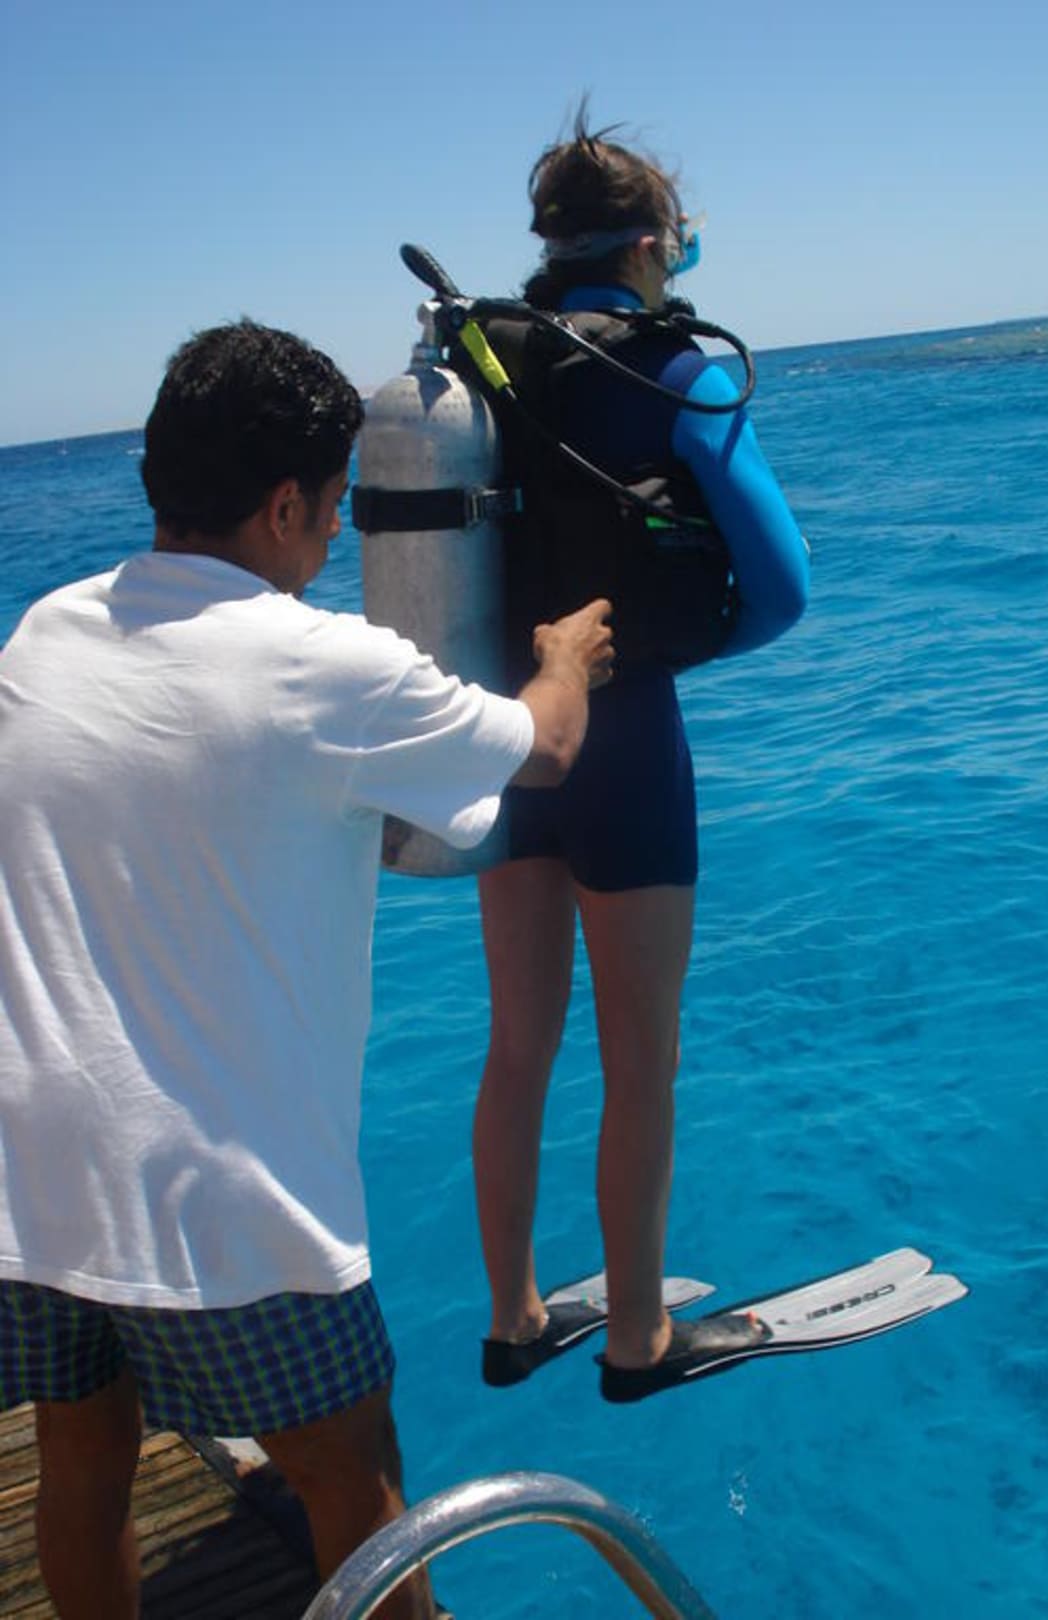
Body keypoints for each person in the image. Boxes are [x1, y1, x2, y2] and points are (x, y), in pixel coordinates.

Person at [0, 319, 612, 1620]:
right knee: (358, 1480)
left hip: (32, 1171)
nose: (336, 536)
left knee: (83, 1464)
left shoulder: (47, 633)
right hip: (227, 1195)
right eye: (336, 507)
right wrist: (565, 661)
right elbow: (543, 749)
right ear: (285, 504)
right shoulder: (325, 664)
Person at [473, 110, 811, 1401]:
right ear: (655, 241)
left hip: (505, 737)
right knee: (641, 1061)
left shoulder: (480, 364)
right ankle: (636, 1337)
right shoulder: (681, 372)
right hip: (622, 743)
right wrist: (663, 652)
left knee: (518, 1045)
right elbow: (782, 589)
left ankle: (515, 1318)